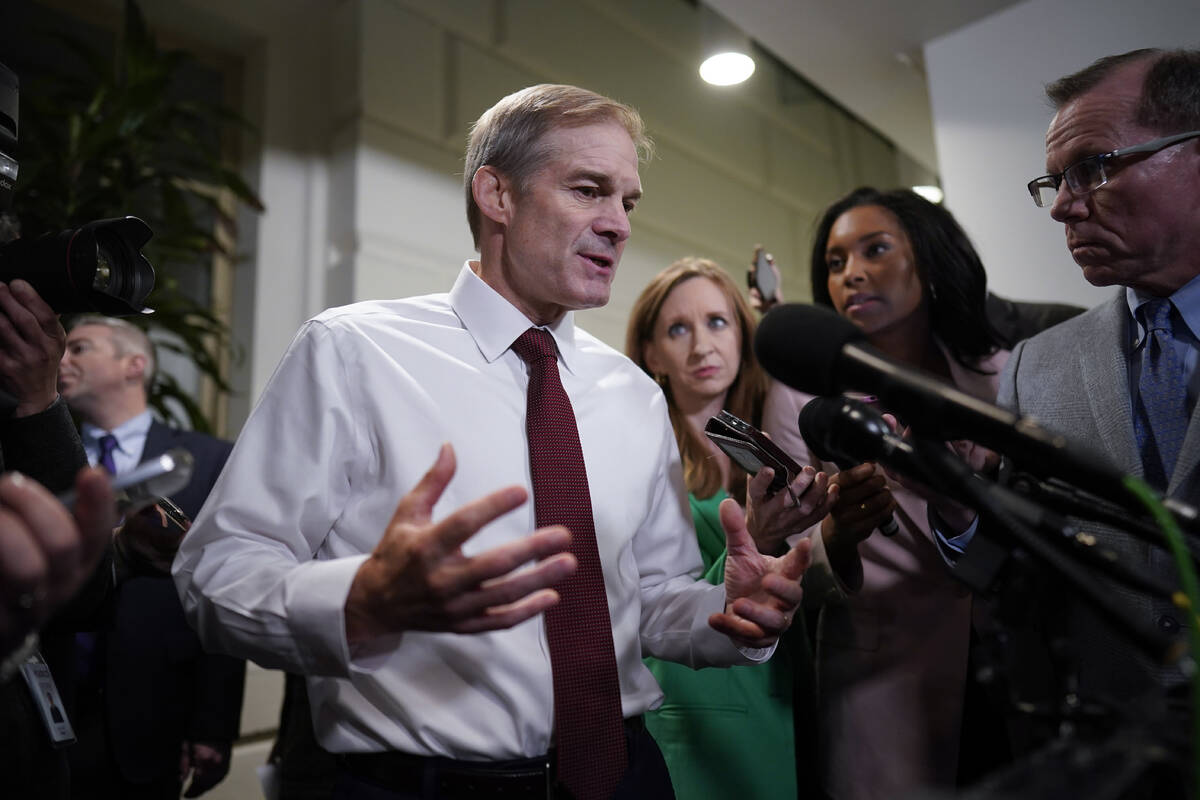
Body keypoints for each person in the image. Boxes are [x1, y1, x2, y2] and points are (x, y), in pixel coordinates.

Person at [174, 83, 821, 800]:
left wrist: (731, 614)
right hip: (417, 784)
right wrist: (361, 600)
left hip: (624, 778)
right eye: (588, 190)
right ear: (497, 195)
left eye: (627, 202)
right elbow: (215, 573)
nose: (618, 225)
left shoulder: (633, 395)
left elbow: (654, 601)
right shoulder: (353, 351)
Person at [761, 187, 1009, 800]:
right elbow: (789, 560)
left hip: (1013, 665)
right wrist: (835, 538)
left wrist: (965, 499)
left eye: (875, 250)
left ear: (928, 258)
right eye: (837, 262)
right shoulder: (798, 395)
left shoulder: (1004, 373)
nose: (853, 274)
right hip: (880, 677)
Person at [997, 48, 1200, 788]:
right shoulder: (1034, 367)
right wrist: (957, 511)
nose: (1063, 204)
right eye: (1056, 180)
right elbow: (1014, 577)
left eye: (1094, 167)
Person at [625, 257, 831, 799]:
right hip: (691, 699)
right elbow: (649, 598)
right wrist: (759, 539)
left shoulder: (774, 442)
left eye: (717, 322)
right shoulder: (639, 452)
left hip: (783, 686)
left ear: (743, 333)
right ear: (651, 354)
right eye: (677, 329)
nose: (701, 346)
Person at [56, 315, 244, 799]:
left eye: (79, 349)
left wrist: (213, 726)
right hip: (46, 714)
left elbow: (223, 588)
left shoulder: (209, 461)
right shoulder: (44, 455)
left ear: (133, 365)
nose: (61, 360)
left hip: (154, 715)